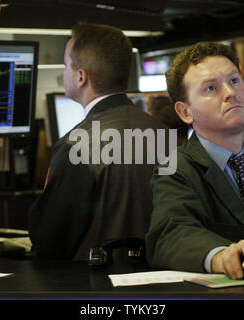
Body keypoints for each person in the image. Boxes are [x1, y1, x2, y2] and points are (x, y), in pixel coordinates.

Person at [145, 42, 244, 279]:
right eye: (211, 88)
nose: (230, 92)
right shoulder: (176, 172)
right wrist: (221, 255)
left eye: (234, 81)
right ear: (185, 112)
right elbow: (172, 234)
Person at [28, 23, 167, 261]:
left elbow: (50, 240)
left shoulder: (76, 145)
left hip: (96, 285)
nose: (64, 73)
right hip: (162, 283)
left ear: (81, 76)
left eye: (65, 66)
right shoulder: (166, 135)